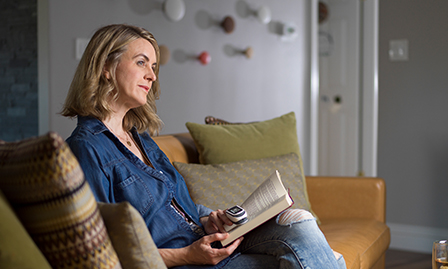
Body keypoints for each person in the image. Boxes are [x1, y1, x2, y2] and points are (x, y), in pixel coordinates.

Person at [62, 24, 346, 269]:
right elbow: (98, 252)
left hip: (206, 244)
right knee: (327, 260)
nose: (152, 75)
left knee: (299, 221)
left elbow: (175, 202)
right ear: (105, 68)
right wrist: (186, 255)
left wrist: (209, 219)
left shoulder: (141, 139)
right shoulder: (86, 148)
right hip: (185, 262)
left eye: (153, 66)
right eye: (141, 62)